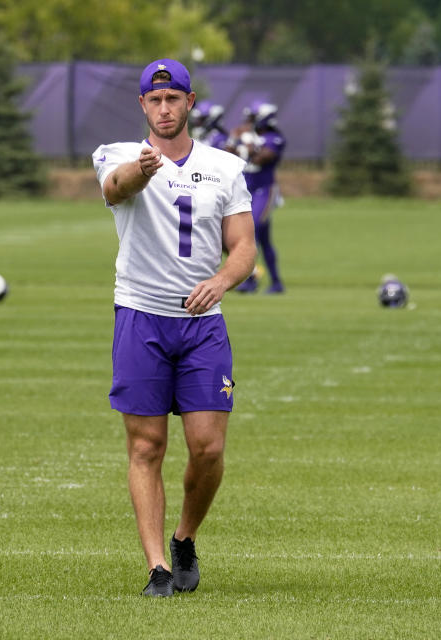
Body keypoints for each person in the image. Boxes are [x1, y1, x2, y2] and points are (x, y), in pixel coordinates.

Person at [92, 59, 256, 597]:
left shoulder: (224, 167)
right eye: (155, 100)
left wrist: (222, 280)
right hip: (140, 315)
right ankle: (158, 567)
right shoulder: (119, 155)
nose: (164, 109)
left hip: (201, 323)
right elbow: (115, 190)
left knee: (207, 448)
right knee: (147, 446)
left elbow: (244, 249)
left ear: (189, 103)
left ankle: (185, 536)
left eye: (174, 99)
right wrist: (144, 168)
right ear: (143, 106)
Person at [229, 103, 286, 294]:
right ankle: (276, 282)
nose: (249, 122)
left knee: (252, 228)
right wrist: (235, 140)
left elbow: (263, 157)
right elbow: (228, 154)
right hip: (247, 191)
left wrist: (246, 144)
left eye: (253, 118)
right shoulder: (249, 136)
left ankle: (251, 278)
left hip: (265, 190)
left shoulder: (274, 138)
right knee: (263, 239)